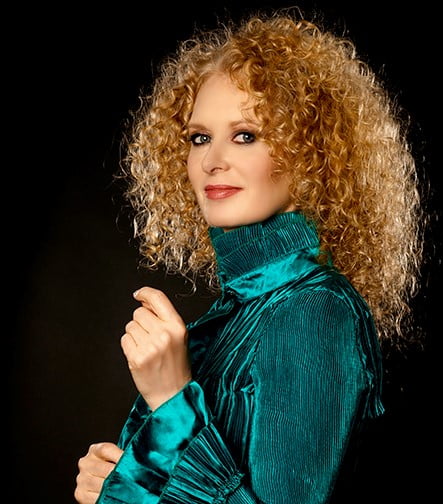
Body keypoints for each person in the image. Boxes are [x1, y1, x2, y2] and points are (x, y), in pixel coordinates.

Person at [74, 8, 425, 503]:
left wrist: (171, 399)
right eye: (199, 138)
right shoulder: (239, 311)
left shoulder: (313, 310)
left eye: (246, 135)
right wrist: (127, 483)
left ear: (310, 154)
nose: (212, 160)